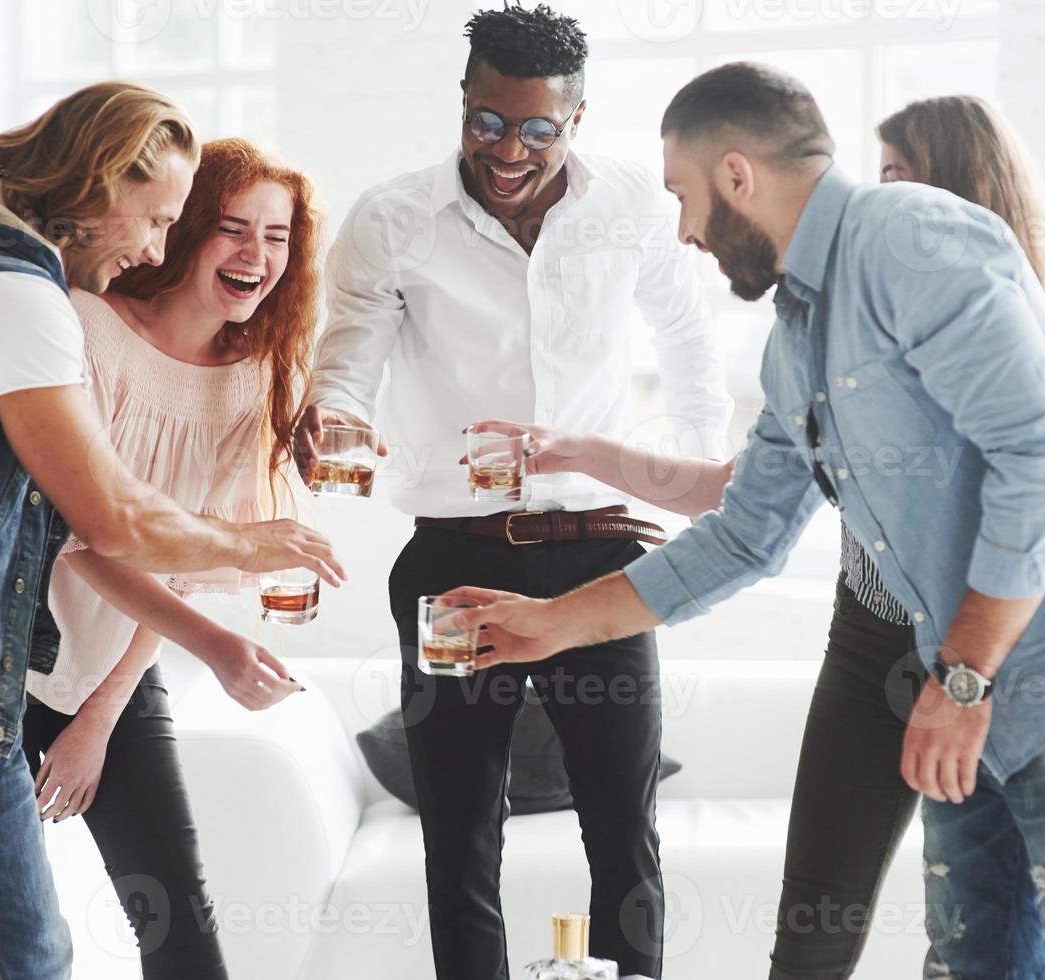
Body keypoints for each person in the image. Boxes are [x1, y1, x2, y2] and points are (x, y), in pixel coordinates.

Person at [447, 62, 1045, 979]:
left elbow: (1043, 454)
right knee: (970, 966)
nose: (682, 231)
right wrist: (550, 625)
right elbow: (743, 535)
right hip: (957, 688)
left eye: (682, 196)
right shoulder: (799, 335)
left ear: (735, 175)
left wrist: (961, 680)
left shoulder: (913, 238)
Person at [0, 84, 341, 979]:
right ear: (100, 184)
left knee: (29, 957)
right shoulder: (23, 304)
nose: (156, 246)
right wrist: (248, 545)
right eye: (160, 218)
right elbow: (105, 518)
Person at [293, 8, 731, 978]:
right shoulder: (391, 220)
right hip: (454, 555)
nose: (507, 150)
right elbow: (347, 364)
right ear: (463, 103)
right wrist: (335, 419)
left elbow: (691, 344)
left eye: (537, 129)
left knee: (622, 830)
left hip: (600, 550)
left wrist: (707, 482)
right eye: (486, 122)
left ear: (577, 118)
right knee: (458, 839)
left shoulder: (630, 207)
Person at [19, 138, 321, 979]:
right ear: (180, 230)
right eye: (231, 228)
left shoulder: (251, 374)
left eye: (277, 236)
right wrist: (219, 649)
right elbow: (76, 535)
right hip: (3, 658)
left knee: (183, 939)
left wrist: (99, 718)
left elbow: (184, 565)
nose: (256, 255)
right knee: (13, 942)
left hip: (118, 664)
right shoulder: (87, 329)